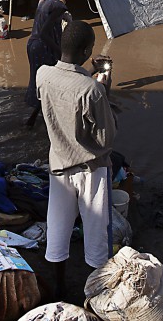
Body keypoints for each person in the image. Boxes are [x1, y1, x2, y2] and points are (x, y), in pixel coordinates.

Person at [37, 20, 116, 298]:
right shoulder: (92, 90)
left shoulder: (43, 75)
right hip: (90, 170)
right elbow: (106, 140)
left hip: (58, 165)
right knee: (97, 235)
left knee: (58, 229)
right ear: (85, 51)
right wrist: (105, 88)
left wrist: (89, 72)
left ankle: (59, 287)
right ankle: (95, 293)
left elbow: (64, 89)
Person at [25, 0, 73, 127]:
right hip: (43, 46)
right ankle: (49, 120)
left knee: (39, 83)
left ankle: (32, 119)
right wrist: (60, 51)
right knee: (48, 85)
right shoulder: (58, 6)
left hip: (33, 44)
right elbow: (46, 33)